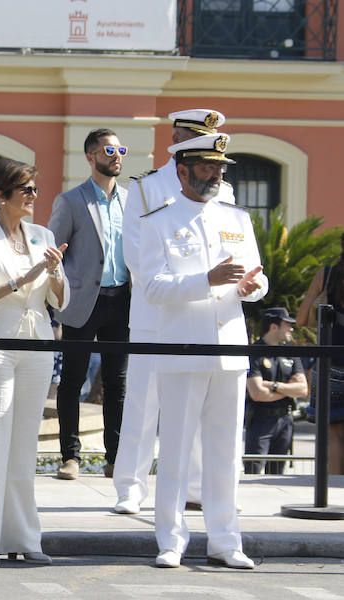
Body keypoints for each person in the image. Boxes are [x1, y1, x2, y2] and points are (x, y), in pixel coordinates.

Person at [138, 133, 267, 569]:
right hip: (182, 347)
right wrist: (204, 280)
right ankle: (171, 540)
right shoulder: (158, 221)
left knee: (226, 450)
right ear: (183, 170)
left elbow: (257, 277)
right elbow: (152, 287)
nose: (215, 174)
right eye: (207, 167)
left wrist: (251, 288)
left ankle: (226, 540)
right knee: (174, 448)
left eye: (220, 168)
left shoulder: (237, 219)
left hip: (229, 347)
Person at [113, 108, 232, 514]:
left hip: (205, 313)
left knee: (202, 404)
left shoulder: (224, 190)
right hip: (155, 312)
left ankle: (196, 487)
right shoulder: (147, 188)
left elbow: (229, 247)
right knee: (143, 401)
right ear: (178, 139)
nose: (209, 164)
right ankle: (130, 485)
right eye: (194, 141)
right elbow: (135, 256)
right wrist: (193, 282)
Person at [0, 158, 68, 567]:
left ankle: (25, 538)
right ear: (1, 195)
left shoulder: (43, 235)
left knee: (24, 446)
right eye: (26, 190)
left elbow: (60, 299)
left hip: (37, 344)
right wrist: (25, 278)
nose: (34, 196)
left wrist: (54, 273)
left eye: (35, 189)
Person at [48, 128, 129, 480]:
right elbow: (53, 252)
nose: (116, 155)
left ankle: (115, 458)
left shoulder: (132, 201)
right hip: (83, 302)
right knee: (72, 381)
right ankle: (71, 458)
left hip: (122, 302)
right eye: (108, 149)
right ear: (90, 156)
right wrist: (55, 302)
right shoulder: (71, 201)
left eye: (120, 149)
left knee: (117, 383)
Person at [296, 230, 344, 475]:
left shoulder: (326, 275)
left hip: (331, 362)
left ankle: (334, 488)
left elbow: (301, 320)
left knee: (333, 432)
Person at [244, 307, 307, 475]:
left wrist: (273, 386)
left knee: (276, 473)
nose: (291, 329)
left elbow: (303, 389)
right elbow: (257, 394)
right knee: (253, 471)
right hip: (260, 419)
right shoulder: (254, 352)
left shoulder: (289, 352)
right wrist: (289, 389)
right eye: (287, 325)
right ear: (274, 327)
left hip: (285, 419)